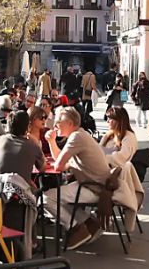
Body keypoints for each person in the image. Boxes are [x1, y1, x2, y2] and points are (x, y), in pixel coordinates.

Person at [43, 107, 111, 250]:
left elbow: (59, 166)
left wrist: (52, 146)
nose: (55, 126)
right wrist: (51, 141)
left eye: (58, 122)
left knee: (46, 199)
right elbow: (62, 162)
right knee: (57, 198)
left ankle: (76, 229)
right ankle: (89, 224)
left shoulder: (76, 137)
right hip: (97, 185)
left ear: (69, 123)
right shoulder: (80, 135)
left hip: (94, 188)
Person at [0, 111, 45, 185]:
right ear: (28, 126)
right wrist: (35, 141)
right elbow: (42, 168)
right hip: (19, 192)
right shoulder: (32, 144)